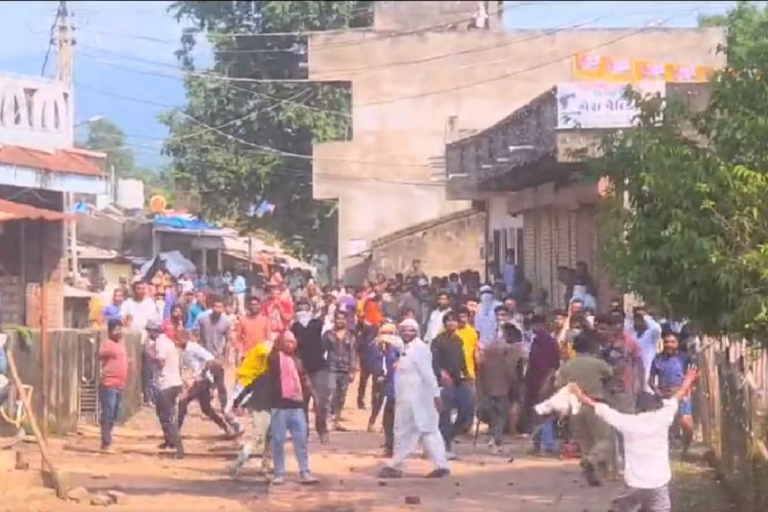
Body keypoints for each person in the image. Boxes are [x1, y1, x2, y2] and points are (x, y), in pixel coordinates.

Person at [569, 367, 700, 512]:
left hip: (634, 486)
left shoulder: (627, 422)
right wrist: (687, 380)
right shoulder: (663, 416)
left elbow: (599, 407)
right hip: (659, 484)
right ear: (656, 406)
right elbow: (678, 396)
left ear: (637, 409)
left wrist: (580, 395)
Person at [379, 318, 450, 479]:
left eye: (410, 330)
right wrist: (384, 336)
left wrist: (436, 396)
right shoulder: (406, 347)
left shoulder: (420, 349)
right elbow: (396, 341)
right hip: (406, 399)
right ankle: (400, 464)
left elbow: (428, 374)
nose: (406, 333)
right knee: (410, 431)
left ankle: (438, 465)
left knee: (424, 430)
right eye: (403, 330)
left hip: (420, 399)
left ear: (417, 332)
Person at [556, 330, 613, 485]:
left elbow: (559, 386)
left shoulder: (567, 366)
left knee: (585, 442)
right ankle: (592, 460)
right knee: (605, 440)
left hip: (575, 407)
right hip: (595, 403)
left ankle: (592, 476)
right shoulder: (597, 363)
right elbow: (611, 374)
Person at [266, 331, 319, 485]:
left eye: (292, 341)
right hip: (279, 407)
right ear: (281, 343)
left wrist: (314, 397)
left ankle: (305, 472)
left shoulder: (297, 361)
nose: (290, 344)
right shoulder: (274, 359)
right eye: (287, 341)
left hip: (297, 406)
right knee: (278, 441)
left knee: (301, 440)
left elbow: (304, 379)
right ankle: (279, 473)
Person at [478, 322, 526, 453]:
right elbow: (510, 370)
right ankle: (496, 439)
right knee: (501, 414)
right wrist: (515, 384)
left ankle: (494, 437)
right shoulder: (509, 349)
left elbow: (480, 367)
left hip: (489, 387)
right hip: (502, 387)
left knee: (494, 414)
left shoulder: (489, 348)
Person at [177, 330, 233, 437]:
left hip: (202, 381)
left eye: (178, 339)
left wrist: (202, 375)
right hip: (198, 381)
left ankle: (175, 431)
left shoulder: (194, 348)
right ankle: (227, 428)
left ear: (184, 339)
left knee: (183, 401)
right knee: (206, 409)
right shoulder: (184, 351)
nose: (176, 342)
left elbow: (210, 360)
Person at [432, 311, 471, 460]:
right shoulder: (438, 341)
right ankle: (445, 445)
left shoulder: (459, 341)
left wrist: (467, 373)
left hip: (459, 380)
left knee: (466, 411)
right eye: (448, 321)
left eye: (453, 321)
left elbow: (461, 360)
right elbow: (434, 361)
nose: (451, 323)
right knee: (445, 414)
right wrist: (441, 373)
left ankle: (450, 435)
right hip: (443, 382)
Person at [229, 342, 273, 477]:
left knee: (269, 438)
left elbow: (247, 389)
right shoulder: (269, 375)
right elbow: (248, 389)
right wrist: (237, 404)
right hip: (260, 408)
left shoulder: (263, 375)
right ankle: (236, 464)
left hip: (267, 408)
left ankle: (265, 465)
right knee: (258, 441)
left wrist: (237, 403)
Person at [649, 329, 694, 455]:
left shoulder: (684, 358)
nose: (669, 345)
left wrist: (687, 389)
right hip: (664, 396)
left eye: (673, 342)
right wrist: (657, 391)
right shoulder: (657, 359)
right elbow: (651, 380)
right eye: (667, 342)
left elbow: (694, 375)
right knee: (665, 425)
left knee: (687, 424)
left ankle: (686, 449)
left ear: (677, 343)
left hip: (682, 394)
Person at [292, 300, 330, 443]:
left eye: (305, 309)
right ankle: (304, 431)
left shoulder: (316, 325)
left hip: (318, 368)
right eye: (299, 309)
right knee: (302, 403)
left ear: (310, 311)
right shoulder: (294, 328)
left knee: (320, 402)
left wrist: (325, 306)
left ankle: (322, 429)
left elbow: (323, 317)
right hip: (301, 370)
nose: (302, 311)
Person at [144, 320, 184, 459]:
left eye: (149, 332)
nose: (148, 334)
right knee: (161, 413)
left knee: (167, 417)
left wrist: (149, 354)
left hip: (167, 384)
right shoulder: (165, 341)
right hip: (171, 383)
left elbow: (160, 361)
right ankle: (169, 441)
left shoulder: (161, 342)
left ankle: (179, 448)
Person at [322, 310, 358, 431]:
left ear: (346, 321)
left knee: (341, 396)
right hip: (331, 368)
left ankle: (336, 420)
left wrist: (353, 370)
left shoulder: (350, 336)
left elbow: (353, 353)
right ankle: (328, 420)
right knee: (330, 394)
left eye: (342, 319)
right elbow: (321, 351)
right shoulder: (328, 335)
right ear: (334, 320)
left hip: (345, 369)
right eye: (338, 319)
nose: (340, 321)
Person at [98, 318, 129, 452]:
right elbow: (100, 354)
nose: (118, 332)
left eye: (120, 329)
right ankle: (105, 440)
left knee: (115, 413)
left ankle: (108, 434)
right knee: (108, 411)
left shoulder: (121, 345)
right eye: (116, 329)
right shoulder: (108, 343)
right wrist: (109, 354)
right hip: (109, 384)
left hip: (119, 385)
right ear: (110, 331)